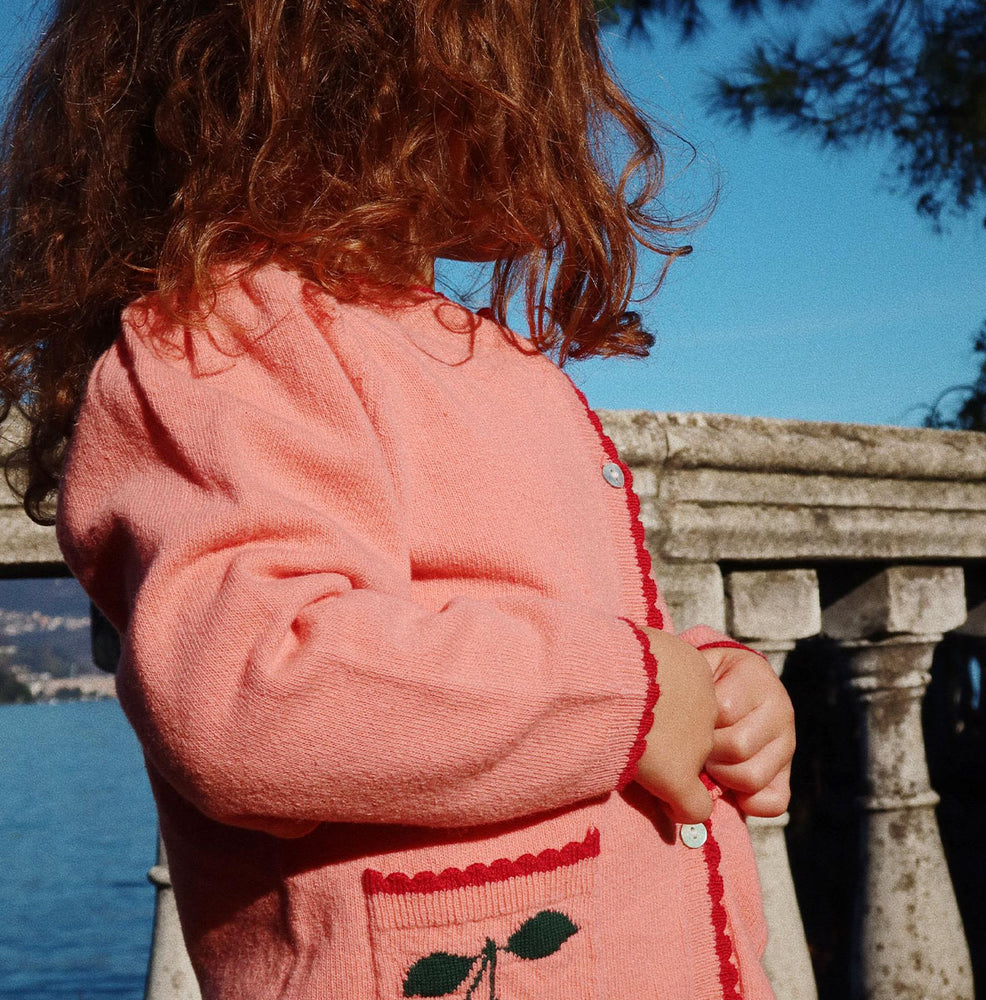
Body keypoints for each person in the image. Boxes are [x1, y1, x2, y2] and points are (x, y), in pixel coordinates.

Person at [0, 1, 795, 997]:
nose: (576, 110)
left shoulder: (475, 359)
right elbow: (259, 687)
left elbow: (551, 626)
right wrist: (631, 695)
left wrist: (710, 687)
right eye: (546, 60)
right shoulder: (233, 338)